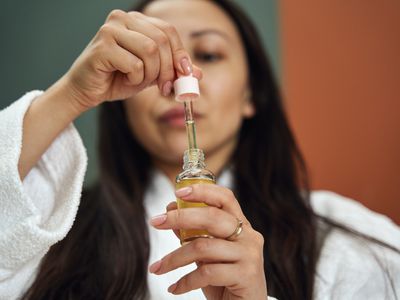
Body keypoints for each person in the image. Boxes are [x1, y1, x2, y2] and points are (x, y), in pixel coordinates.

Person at [0, 0, 399, 299]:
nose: (179, 81)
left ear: (251, 95)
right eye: (150, 63)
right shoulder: (53, 232)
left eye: (208, 54)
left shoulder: (346, 241)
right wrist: (69, 94)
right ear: (122, 99)